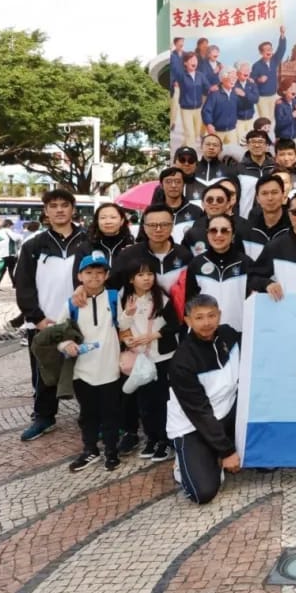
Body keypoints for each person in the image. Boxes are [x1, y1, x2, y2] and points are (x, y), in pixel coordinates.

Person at [16, 190, 91, 441]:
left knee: (88, 370)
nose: (59, 210)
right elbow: (23, 284)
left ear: (73, 209)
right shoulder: (33, 245)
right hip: (45, 320)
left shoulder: (88, 241)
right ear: (46, 211)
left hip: (82, 319)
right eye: (53, 205)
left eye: (64, 205)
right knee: (44, 373)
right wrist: (36, 318)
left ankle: (91, 416)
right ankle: (44, 417)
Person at [166, 294, 243, 504]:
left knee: (264, 462)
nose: (207, 322)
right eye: (199, 317)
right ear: (188, 320)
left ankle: (215, 450)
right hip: (194, 425)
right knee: (203, 492)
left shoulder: (228, 335)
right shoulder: (182, 361)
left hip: (228, 412)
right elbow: (199, 413)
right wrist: (227, 451)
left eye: (211, 315)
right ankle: (184, 461)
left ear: (219, 315)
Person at [60, 252, 123, 472]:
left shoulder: (114, 297)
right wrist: (66, 344)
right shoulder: (72, 303)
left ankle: (112, 451)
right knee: (87, 414)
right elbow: (59, 332)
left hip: (109, 368)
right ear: (79, 276)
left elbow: (124, 324)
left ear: (107, 275)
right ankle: (90, 449)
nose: (94, 277)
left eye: (99, 272)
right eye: (88, 273)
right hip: (82, 370)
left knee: (111, 413)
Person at [118, 258, 180, 462]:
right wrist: (128, 325)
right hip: (140, 359)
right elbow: (121, 326)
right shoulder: (125, 297)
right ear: (131, 279)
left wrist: (153, 336)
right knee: (144, 401)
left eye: (150, 274)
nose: (146, 279)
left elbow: (175, 324)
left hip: (162, 357)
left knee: (162, 399)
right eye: (140, 275)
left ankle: (165, 440)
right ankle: (151, 438)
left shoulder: (161, 297)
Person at [185, 215, 251, 333]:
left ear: (233, 235)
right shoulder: (196, 264)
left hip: (238, 332)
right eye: (213, 230)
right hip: (205, 333)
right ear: (207, 234)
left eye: (224, 230)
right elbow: (189, 301)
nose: (218, 235)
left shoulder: (246, 263)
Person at [242, 175, 289, 260]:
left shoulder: (293, 224)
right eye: (264, 193)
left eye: (274, 192)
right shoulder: (251, 225)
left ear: (283, 195)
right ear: (257, 199)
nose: (270, 198)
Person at [173, 51, 206, 149]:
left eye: (195, 59)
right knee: (190, 134)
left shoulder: (200, 75)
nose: (194, 61)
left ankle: (183, 147)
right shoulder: (181, 75)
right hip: (186, 109)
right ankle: (190, 153)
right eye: (191, 60)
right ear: (185, 63)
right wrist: (174, 83)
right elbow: (173, 75)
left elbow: (208, 88)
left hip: (198, 109)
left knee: (196, 134)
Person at [202, 68, 241, 146]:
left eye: (235, 78)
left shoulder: (235, 94)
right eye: (231, 77)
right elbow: (206, 111)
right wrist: (209, 124)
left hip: (232, 130)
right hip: (217, 131)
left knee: (233, 151)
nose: (233, 80)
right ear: (223, 79)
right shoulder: (214, 94)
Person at [232, 62, 261, 141]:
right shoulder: (233, 84)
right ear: (237, 72)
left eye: (248, 70)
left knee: (250, 140)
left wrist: (244, 94)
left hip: (250, 119)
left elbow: (256, 99)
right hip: (238, 120)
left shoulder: (252, 84)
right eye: (244, 70)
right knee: (240, 141)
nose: (246, 72)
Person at [273, 78, 296, 142]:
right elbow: (279, 123)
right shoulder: (280, 104)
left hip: (294, 137)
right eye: (291, 89)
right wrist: (291, 116)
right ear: (284, 91)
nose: (294, 91)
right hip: (283, 138)